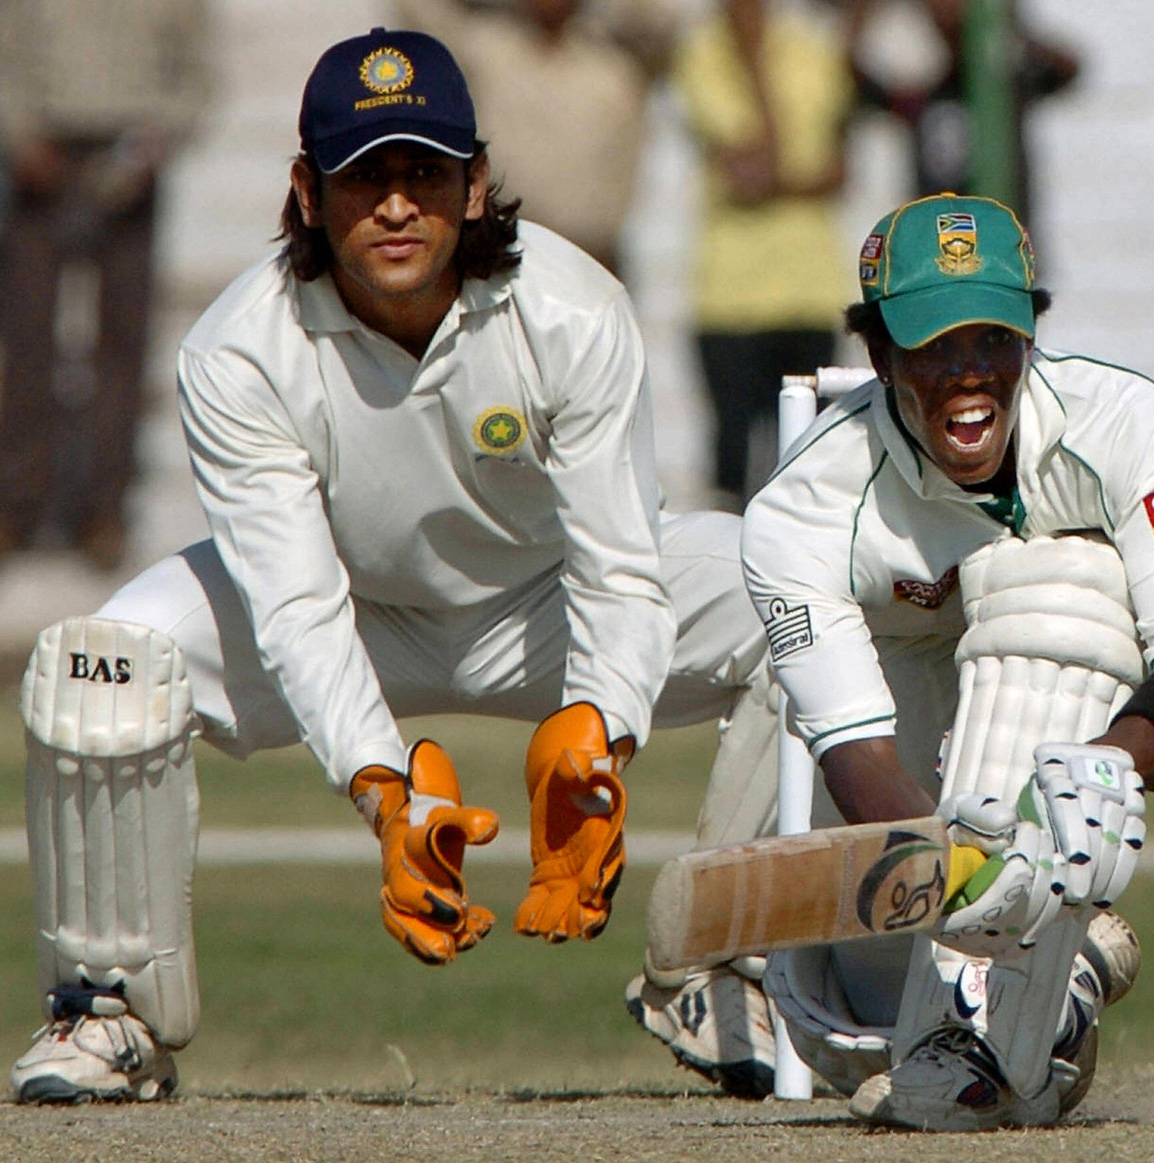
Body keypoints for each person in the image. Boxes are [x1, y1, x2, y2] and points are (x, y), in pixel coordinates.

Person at [7, 27, 777, 1105]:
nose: (398, 204)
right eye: (365, 176)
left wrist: (598, 738)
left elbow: (619, 564)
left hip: (543, 604)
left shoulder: (573, 309)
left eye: (424, 172)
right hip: (355, 609)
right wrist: (385, 792)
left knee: (795, 592)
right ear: (307, 192)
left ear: (475, 187)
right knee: (104, 664)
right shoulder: (238, 351)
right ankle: (109, 1013)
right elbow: (295, 601)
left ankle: (722, 967)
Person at [631, 193, 1154, 1126]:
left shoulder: (1119, 419)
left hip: (1062, 725)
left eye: (993, 341)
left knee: (1059, 575)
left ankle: (1041, 967)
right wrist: (961, 877)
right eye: (932, 348)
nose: (969, 375)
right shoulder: (802, 509)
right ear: (880, 356)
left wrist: (1103, 775)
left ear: (1030, 336)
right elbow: (852, 749)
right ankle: (1059, 974)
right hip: (907, 732)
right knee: (927, 1079)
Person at [0, 0, 213, 568]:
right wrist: (18, 133)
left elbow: (197, 67)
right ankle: (18, 504)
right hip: (41, 150)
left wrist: (159, 137)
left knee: (122, 342)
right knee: (27, 338)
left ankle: (104, 511)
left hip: (130, 150)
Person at [672, 0, 856, 509]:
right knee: (732, 467)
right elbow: (752, 164)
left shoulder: (812, 49)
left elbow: (839, 171)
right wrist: (753, 61)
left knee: (811, 466)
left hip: (810, 290)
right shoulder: (701, 54)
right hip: (731, 298)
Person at [395, 0, 676, 278]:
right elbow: (420, 15)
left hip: (595, 261)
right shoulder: (487, 50)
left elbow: (663, 20)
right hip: (504, 260)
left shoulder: (619, 61)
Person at [847, 0, 1078, 237]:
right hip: (939, 252)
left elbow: (1068, 69)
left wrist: (1008, 25)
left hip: (1005, 250)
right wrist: (864, 14)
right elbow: (859, 80)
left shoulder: (1006, 90)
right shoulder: (922, 97)